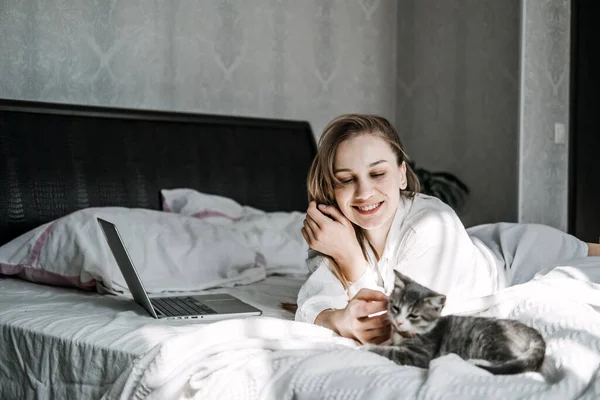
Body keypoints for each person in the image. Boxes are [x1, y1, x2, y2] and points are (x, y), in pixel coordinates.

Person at [295, 113, 600, 345]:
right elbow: (314, 303)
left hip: (520, 259)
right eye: (346, 179)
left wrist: (350, 259)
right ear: (331, 187)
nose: (364, 192)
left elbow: (402, 329)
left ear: (402, 175)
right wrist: (339, 319)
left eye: (377, 173)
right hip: (472, 250)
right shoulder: (333, 230)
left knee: (588, 256)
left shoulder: (430, 227)